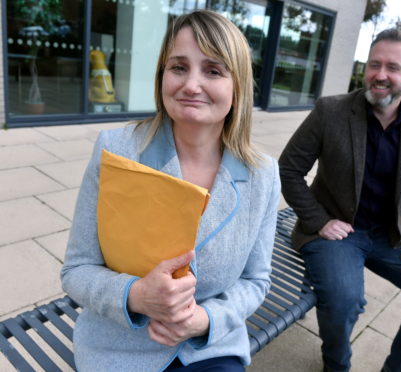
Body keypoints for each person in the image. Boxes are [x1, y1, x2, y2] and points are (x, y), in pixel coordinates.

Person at [61, 10, 280, 372]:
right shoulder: (116, 149)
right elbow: (76, 270)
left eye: (213, 70)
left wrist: (206, 320)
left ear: (237, 86)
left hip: (208, 347)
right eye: (178, 67)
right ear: (162, 74)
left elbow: (256, 281)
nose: (191, 85)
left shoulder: (263, 174)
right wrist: (135, 295)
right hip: (120, 347)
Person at [278, 29, 401, 372]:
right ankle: (336, 364)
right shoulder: (331, 111)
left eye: (393, 68)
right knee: (343, 300)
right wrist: (320, 220)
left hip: (390, 236)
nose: (381, 75)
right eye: (374, 65)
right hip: (335, 233)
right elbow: (288, 169)